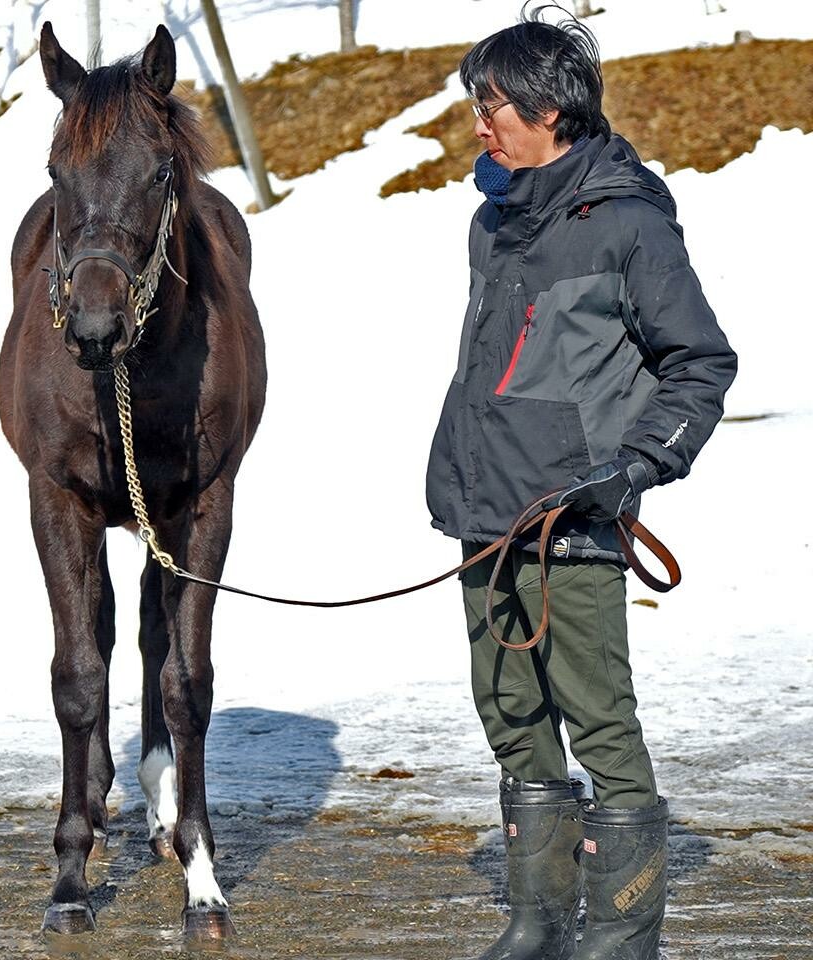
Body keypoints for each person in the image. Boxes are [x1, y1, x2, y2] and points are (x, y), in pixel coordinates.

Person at [424, 7, 737, 960]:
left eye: (496, 105)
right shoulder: (495, 218)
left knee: (600, 723)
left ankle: (624, 934)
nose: (481, 122)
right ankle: (539, 921)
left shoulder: (630, 225)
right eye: (480, 104)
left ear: (551, 109)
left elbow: (701, 364)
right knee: (511, 718)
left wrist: (633, 468)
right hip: (486, 514)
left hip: (576, 522)